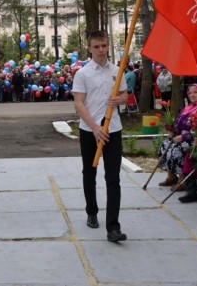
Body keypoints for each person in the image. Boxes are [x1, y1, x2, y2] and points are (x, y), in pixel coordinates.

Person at [72, 30, 128, 243]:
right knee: (90, 172)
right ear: (90, 48)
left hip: (113, 129)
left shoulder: (117, 70)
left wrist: (120, 100)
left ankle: (113, 227)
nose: (101, 50)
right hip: (90, 130)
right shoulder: (83, 73)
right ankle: (92, 211)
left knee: (113, 177)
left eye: (104, 45)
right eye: (97, 46)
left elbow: (125, 94)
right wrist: (95, 127)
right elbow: (79, 103)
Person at [156, 84, 197, 188]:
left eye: (195, 92)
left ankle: (183, 180)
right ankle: (171, 176)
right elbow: (179, 123)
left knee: (178, 148)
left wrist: (184, 137)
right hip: (181, 136)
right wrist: (173, 130)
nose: (192, 95)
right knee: (165, 144)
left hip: (194, 138)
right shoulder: (188, 107)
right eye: (190, 93)